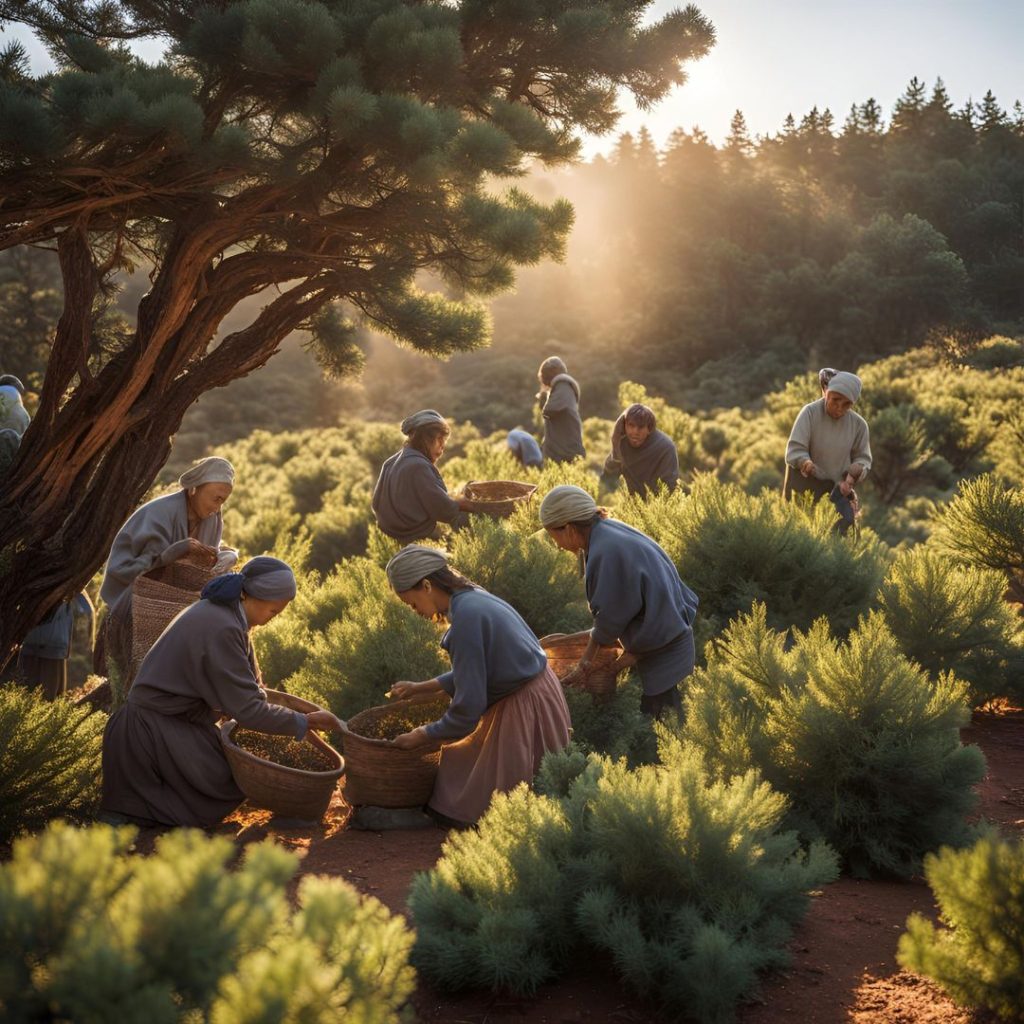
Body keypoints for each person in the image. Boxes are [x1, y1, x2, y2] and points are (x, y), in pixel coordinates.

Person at [100, 556, 343, 828]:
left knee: (230, 776)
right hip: (151, 731)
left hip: (174, 722)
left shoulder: (228, 617)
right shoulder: (222, 626)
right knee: (229, 778)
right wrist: (304, 722)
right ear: (249, 596)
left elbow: (254, 689)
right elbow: (249, 709)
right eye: (273, 612)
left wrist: (296, 714)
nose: (273, 620)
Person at [384, 545, 571, 826]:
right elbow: (484, 666)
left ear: (426, 585)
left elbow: (466, 712)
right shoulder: (473, 598)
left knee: (497, 797)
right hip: (541, 690)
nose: (415, 612)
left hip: (523, 703)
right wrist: (423, 687)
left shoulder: (466, 621)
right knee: (539, 785)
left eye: (412, 604)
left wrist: (422, 735)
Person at [540, 485, 699, 719]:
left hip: (665, 648)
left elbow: (609, 620)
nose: (557, 545)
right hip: (670, 633)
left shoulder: (605, 551)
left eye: (554, 536)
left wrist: (584, 665)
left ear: (569, 528)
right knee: (667, 715)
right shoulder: (608, 531)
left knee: (664, 723)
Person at [100, 455, 239, 609]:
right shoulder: (158, 514)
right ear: (194, 488)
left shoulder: (212, 519)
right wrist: (174, 553)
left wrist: (226, 555)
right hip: (134, 604)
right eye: (216, 499)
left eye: (223, 502)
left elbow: (206, 558)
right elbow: (135, 571)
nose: (217, 508)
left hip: (179, 604)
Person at [783, 370, 872, 534]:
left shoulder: (859, 425)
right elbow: (795, 449)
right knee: (798, 534)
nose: (839, 408)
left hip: (835, 491)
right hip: (804, 487)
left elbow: (863, 459)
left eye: (846, 404)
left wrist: (853, 476)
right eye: (835, 400)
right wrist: (805, 463)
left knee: (835, 539)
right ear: (826, 393)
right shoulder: (809, 413)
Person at [371, 410, 474, 542]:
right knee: (470, 514)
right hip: (414, 535)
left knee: (466, 489)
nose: (443, 446)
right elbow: (444, 511)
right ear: (424, 439)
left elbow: (376, 504)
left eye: (444, 440)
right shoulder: (418, 466)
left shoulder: (391, 462)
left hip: (393, 534)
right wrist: (470, 505)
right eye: (439, 439)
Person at [17, 592, 94, 701]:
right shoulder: (68, 581)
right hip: (55, 645)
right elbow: (85, 609)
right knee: (50, 699)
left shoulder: (30, 579)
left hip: (29, 640)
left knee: (23, 695)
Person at [603, 403, 679, 497]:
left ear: (649, 428)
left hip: (657, 505)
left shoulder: (665, 447)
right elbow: (609, 474)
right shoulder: (622, 442)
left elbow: (670, 485)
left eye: (640, 427)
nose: (635, 432)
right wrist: (615, 444)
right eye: (631, 426)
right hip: (630, 504)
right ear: (625, 426)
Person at [537, 356, 584, 463]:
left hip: (565, 451)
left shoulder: (563, 385)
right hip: (561, 449)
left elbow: (549, 410)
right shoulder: (561, 387)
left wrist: (544, 397)